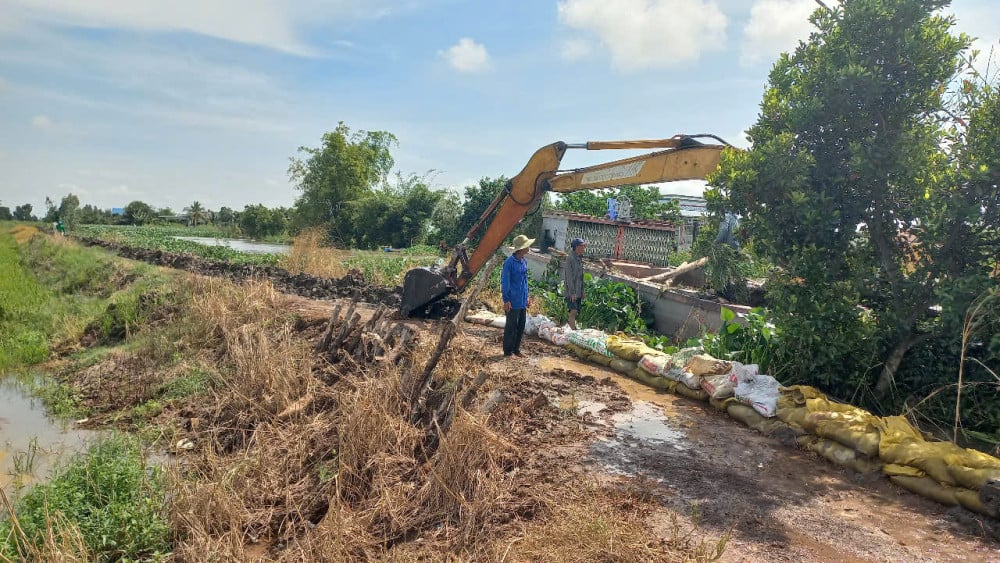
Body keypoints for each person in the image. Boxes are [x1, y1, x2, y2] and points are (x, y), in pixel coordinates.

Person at [501, 234, 534, 358]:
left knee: (521, 325)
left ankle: (516, 349)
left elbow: (525, 281)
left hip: (521, 299)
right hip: (512, 300)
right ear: (521, 248)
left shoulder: (523, 261)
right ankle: (507, 351)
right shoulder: (509, 263)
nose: (529, 247)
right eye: (527, 246)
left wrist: (527, 296)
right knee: (511, 326)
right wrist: (506, 299)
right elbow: (505, 282)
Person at [563, 238, 587, 330]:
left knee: (576, 311)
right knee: (573, 311)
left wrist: (582, 291)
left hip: (578, 291)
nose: (584, 248)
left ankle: (572, 329)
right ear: (577, 247)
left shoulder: (579, 258)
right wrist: (572, 293)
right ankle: (572, 331)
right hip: (571, 291)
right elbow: (569, 277)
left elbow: (581, 277)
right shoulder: (570, 258)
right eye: (582, 246)